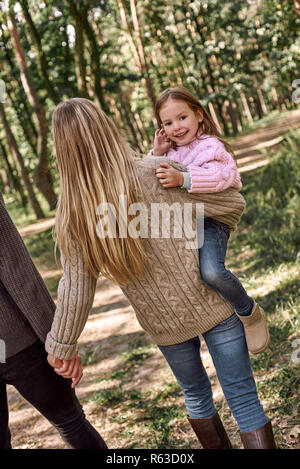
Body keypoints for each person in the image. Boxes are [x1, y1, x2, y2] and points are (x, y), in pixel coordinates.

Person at [46, 97, 276, 449]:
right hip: (213, 304)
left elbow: (76, 283)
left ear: (61, 152)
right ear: (108, 131)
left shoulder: (74, 214)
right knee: (244, 400)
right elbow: (232, 202)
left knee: (197, 398)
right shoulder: (156, 172)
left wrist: (61, 345)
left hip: (162, 322)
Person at [150, 86, 269, 355]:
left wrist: (184, 179)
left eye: (182, 118)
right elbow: (149, 181)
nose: (177, 127)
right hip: (183, 226)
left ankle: (248, 311)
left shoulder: (210, 146)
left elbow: (222, 176)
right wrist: (156, 153)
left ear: (199, 115)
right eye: (168, 123)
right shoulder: (168, 152)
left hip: (212, 221)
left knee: (212, 272)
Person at [0, 191, 108, 449]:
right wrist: (59, 342)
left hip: (14, 342)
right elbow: (15, 270)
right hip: (16, 342)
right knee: (71, 423)